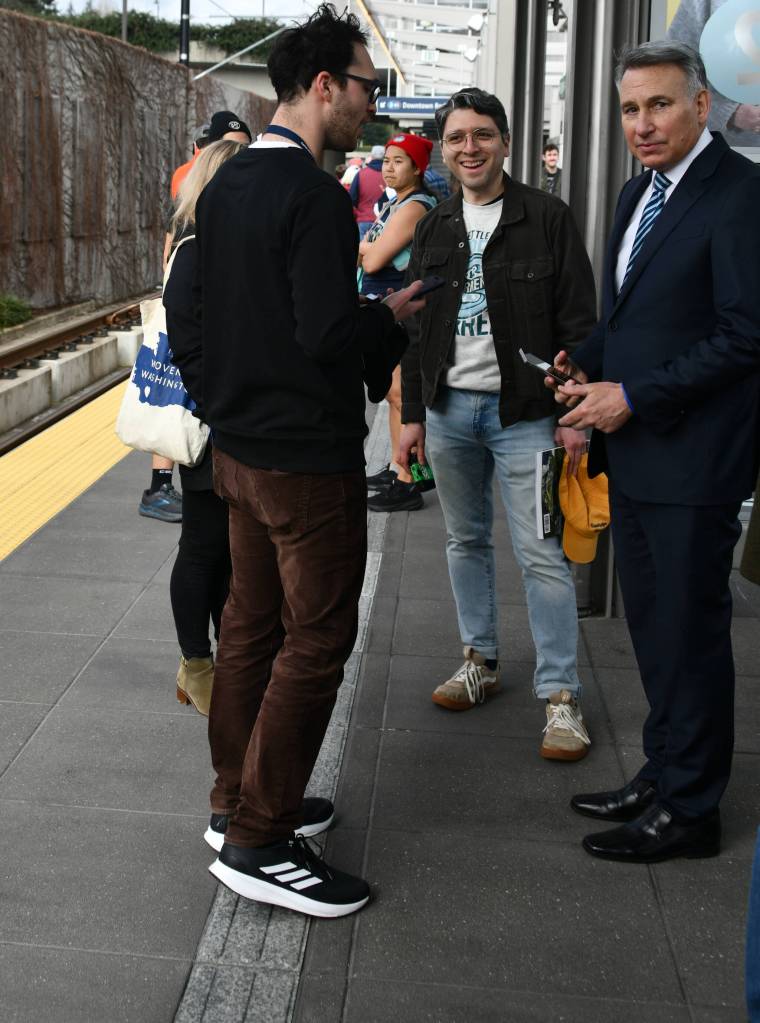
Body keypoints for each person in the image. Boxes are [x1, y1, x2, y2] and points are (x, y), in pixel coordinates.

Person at [195, 3, 425, 918]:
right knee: (318, 637)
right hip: (305, 464)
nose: (373, 103)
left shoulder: (229, 182)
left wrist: (224, 410)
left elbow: (205, 317)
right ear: (324, 85)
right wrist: (389, 323)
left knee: (251, 628)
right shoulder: (317, 199)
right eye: (369, 86)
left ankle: (233, 801)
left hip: (240, 456)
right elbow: (329, 335)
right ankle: (261, 833)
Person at [550, 41, 760, 862]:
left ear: (702, 106)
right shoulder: (641, 190)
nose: (642, 124)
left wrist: (632, 395)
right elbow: (637, 316)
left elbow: (747, 334)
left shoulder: (741, 195)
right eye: (631, 108)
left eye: (660, 105)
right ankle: (666, 770)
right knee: (653, 628)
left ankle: (692, 810)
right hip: (636, 454)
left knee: (690, 633)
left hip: (696, 460)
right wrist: (590, 361)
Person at [398, 87, 598, 760]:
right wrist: (412, 415)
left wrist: (574, 416)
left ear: (506, 143)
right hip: (452, 412)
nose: (470, 148)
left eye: (483, 135)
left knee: (543, 551)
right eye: (456, 138)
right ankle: (479, 660)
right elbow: (417, 328)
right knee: (464, 540)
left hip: (529, 418)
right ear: (445, 150)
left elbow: (579, 323)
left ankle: (561, 696)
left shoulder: (546, 218)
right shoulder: (435, 225)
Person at [162, 139, 247, 716]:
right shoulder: (195, 245)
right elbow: (189, 342)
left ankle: (222, 659)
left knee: (225, 550)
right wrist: (219, 404)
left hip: (231, 418)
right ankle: (196, 664)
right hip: (209, 421)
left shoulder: (223, 244)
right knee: (203, 545)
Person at [359, 133, 437, 513]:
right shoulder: (397, 204)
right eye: (386, 160)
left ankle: (409, 480)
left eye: (399, 161)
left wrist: (361, 249)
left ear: (418, 168)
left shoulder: (415, 206)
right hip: (391, 309)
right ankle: (398, 467)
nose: (388, 167)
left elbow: (373, 261)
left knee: (402, 396)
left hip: (403, 312)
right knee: (395, 396)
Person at [349, 144, 386, 238]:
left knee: (361, 251)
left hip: (363, 220)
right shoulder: (389, 175)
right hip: (384, 222)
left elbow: (352, 198)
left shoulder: (361, 174)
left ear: (372, 156)